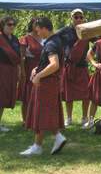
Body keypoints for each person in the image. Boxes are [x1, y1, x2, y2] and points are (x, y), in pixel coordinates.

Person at [20, 17, 66, 156]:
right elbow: (49, 63)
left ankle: (38, 146)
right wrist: (37, 68)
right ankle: (57, 138)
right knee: (48, 112)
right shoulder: (54, 41)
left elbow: (54, 64)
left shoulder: (51, 43)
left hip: (47, 83)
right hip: (50, 83)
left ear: (45, 28)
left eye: (39, 30)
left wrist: (39, 76)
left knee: (40, 113)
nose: (37, 33)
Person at [57, 9, 90, 127]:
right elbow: (53, 41)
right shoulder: (65, 31)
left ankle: (84, 118)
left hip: (82, 66)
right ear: (71, 18)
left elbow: (99, 41)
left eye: (81, 17)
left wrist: (92, 56)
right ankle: (69, 118)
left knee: (86, 94)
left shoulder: (88, 30)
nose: (79, 19)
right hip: (69, 66)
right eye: (76, 17)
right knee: (68, 95)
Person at [18, 18, 43, 124]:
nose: (37, 25)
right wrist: (22, 72)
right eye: (35, 23)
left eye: (39, 23)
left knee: (41, 94)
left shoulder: (44, 37)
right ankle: (25, 120)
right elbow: (21, 57)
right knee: (27, 95)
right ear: (31, 25)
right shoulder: (26, 38)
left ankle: (38, 119)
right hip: (29, 68)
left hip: (42, 68)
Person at [0, 16, 21, 132]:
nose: (12, 26)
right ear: (2, 26)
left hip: (11, 71)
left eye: (13, 24)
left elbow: (17, 56)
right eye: (9, 24)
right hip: (1, 69)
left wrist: (18, 70)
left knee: (4, 97)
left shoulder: (14, 38)